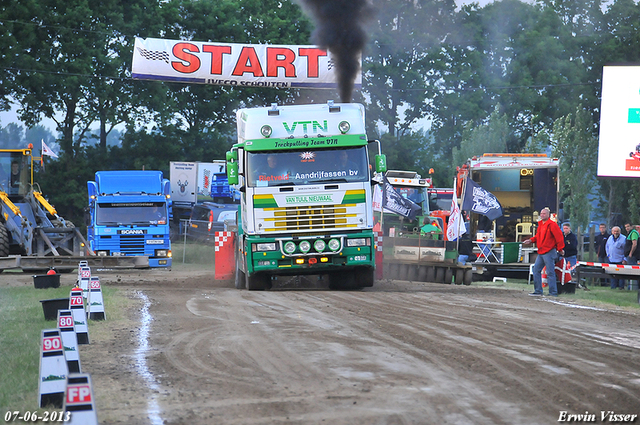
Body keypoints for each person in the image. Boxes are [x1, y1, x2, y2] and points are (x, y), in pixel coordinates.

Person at [523, 207, 565, 297]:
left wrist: (560, 249)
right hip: (541, 251)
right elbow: (538, 236)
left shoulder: (552, 225)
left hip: (549, 251)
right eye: (541, 213)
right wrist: (530, 240)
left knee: (550, 272)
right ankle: (538, 290)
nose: (542, 215)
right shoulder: (541, 225)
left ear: (548, 215)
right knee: (536, 270)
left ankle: (553, 292)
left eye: (544, 214)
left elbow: (559, 237)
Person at [623, 222, 639, 290]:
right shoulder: (630, 233)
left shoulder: (633, 233)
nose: (627, 228)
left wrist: (630, 253)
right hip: (630, 255)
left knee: (633, 271)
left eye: (628, 226)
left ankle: (634, 287)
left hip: (632, 256)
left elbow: (634, 244)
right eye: (626, 227)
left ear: (632, 226)